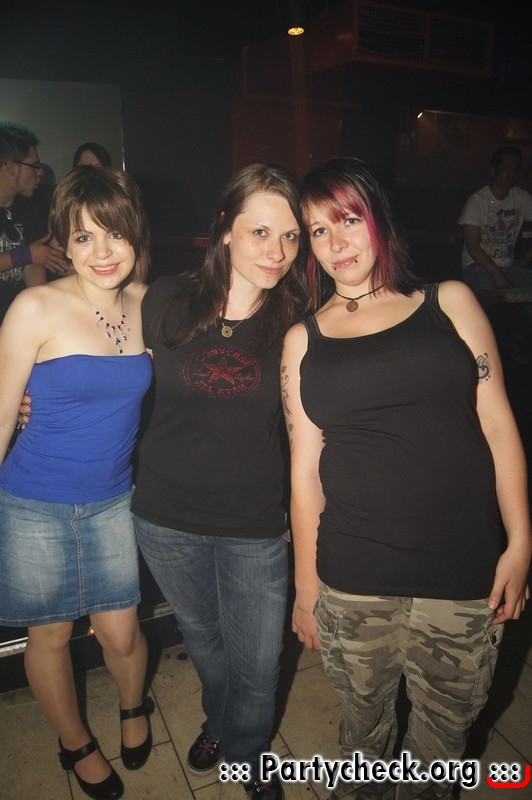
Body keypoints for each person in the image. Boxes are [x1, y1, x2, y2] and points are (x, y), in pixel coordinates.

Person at [281, 156, 531, 800]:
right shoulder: (304, 339)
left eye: (348, 219)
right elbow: (304, 474)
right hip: (354, 575)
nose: (335, 243)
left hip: (462, 569)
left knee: (442, 741)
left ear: (378, 218)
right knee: (362, 734)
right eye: (317, 230)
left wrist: (520, 542)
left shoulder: (449, 302)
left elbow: (499, 424)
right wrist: (306, 589)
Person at [131, 162, 314, 800]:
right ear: (225, 230)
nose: (277, 251)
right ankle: (221, 720)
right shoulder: (164, 299)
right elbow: (103, 359)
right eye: (260, 232)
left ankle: (246, 754)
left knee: (259, 663)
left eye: (290, 236)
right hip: (165, 516)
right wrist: (32, 395)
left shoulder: (299, 320)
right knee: (204, 640)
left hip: (254, 524)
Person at [0, 165, 154, 800]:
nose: (102, 251)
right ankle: (75, 742)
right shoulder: (35, 305)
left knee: (121, 631)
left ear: (135, 234)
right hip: (33, 502)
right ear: (64, 240)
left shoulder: (147, 303)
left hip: (113, 499)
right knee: (51, 634)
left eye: (114, 233)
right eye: (84, 237)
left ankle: (133, 706)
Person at [0, 121, 70, 321]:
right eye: (34, 166)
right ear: (11, 167)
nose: (40, 172)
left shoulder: (31, 206)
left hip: (18, 317)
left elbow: (35, 263)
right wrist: (23, 255)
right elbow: (30, 255)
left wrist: (39, 318)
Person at [458, 145, 532, 291]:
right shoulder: (477, 201)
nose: (512, 173)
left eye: (516, 169)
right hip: (476, 265)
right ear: (493, 170)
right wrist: (498, 275)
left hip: (508, 265)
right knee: (487, 286)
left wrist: (526, 259)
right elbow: (473, 246)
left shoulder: (522, 198)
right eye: (507, 167)